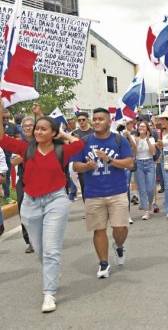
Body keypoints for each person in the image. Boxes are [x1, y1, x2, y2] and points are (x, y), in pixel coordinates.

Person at [0, 102, 84, 312]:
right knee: (41, 250)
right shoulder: (25, 148)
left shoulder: (62, 150)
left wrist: (62, 133)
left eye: (43, 129)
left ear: (53, 133)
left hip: (56, 201)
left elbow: (80, 143)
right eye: (37, 128)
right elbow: (2, 138)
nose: (37, 131)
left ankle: (49, 294)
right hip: (30, 203)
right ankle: (52, 270)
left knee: (51, 250)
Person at [72, 108, 134, 279]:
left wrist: (110, 160)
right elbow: (75, 165)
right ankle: (104, 263)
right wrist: (86, 166)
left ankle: (119, 246)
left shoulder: (119, 140)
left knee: (120, 228)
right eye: (95, 119)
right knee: (99, 230)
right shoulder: (84, 142)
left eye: (101, 119)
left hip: (117, 191)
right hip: (93, 193)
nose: (97, 121)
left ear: (109, 122)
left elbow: (129, 163)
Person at [12, 116, 35, 252]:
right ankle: (30, 241)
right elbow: (14, 161)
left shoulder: (42, 141)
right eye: (24, 125)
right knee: (23, 209)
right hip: (23, 180)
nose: (27, 127)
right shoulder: (17, 143)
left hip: (40, 180)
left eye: (30, 125)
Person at [132, 121, 157, 220]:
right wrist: (135, 142)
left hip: (150, 163)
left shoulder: (151, 138)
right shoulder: (135, 139)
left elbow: (153, 152)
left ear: (147, 129)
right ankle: (146, 211)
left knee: (150, 188)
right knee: (142, 188)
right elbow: (134, 152)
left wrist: (147, 140)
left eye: (143, 126)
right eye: (139, 126)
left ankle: (150, 204)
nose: (141, 128)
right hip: (139, 164)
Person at [71, 112, 94, 203]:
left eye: (83, 120)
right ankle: (88, 210)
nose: (81, 122)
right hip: (81, 163)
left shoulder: (93, 131)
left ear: (87, 120)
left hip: (94, 161)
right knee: (85, 188)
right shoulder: (74, 133)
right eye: (79, 120)